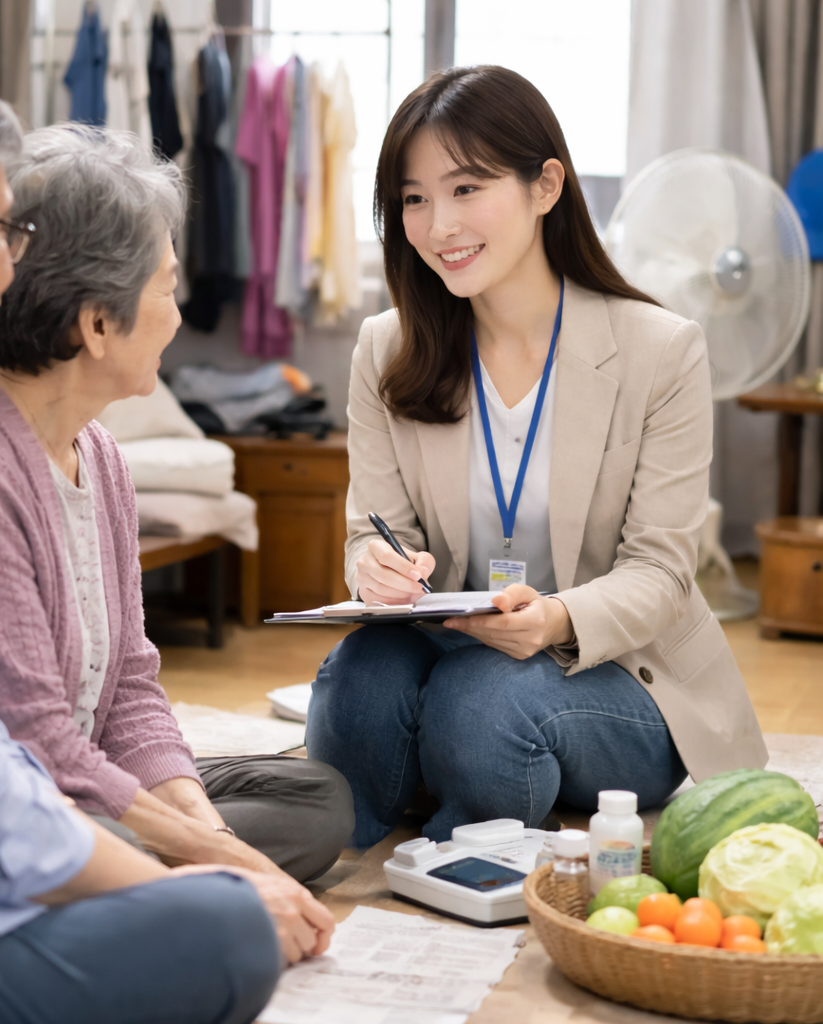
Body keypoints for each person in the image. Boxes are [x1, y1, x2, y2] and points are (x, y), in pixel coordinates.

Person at [0, 49, 333, 1024]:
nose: (17, 262)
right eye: (4, 228)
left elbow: (79, 702)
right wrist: (188, 880)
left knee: (301, 808)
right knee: (221, 932)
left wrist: (197, 846)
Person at [306, 66, 767, 849]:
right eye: (414, 199)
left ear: (545, 185)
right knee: (357, 682)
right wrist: (373, 571)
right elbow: (372, 531)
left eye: (466, 188)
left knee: (479, 702)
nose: (438, 225)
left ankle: (458, 820)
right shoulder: (387, 348)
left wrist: (556, 617)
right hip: (452, 646)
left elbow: (660, 572)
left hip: (619, 672)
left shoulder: (660, 350)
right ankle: (391, 824)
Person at [0, 123, 354, 884]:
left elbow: (128, 688)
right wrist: (214, 855)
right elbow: (31, 742)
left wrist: (204, 828)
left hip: (83, 787)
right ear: (96, 322)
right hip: (4, 808)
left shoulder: (102, 454)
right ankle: (138, 885)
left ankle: (157, 877)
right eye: (166, 286)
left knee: (317, 800)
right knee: (223, 876)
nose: (178, 316)